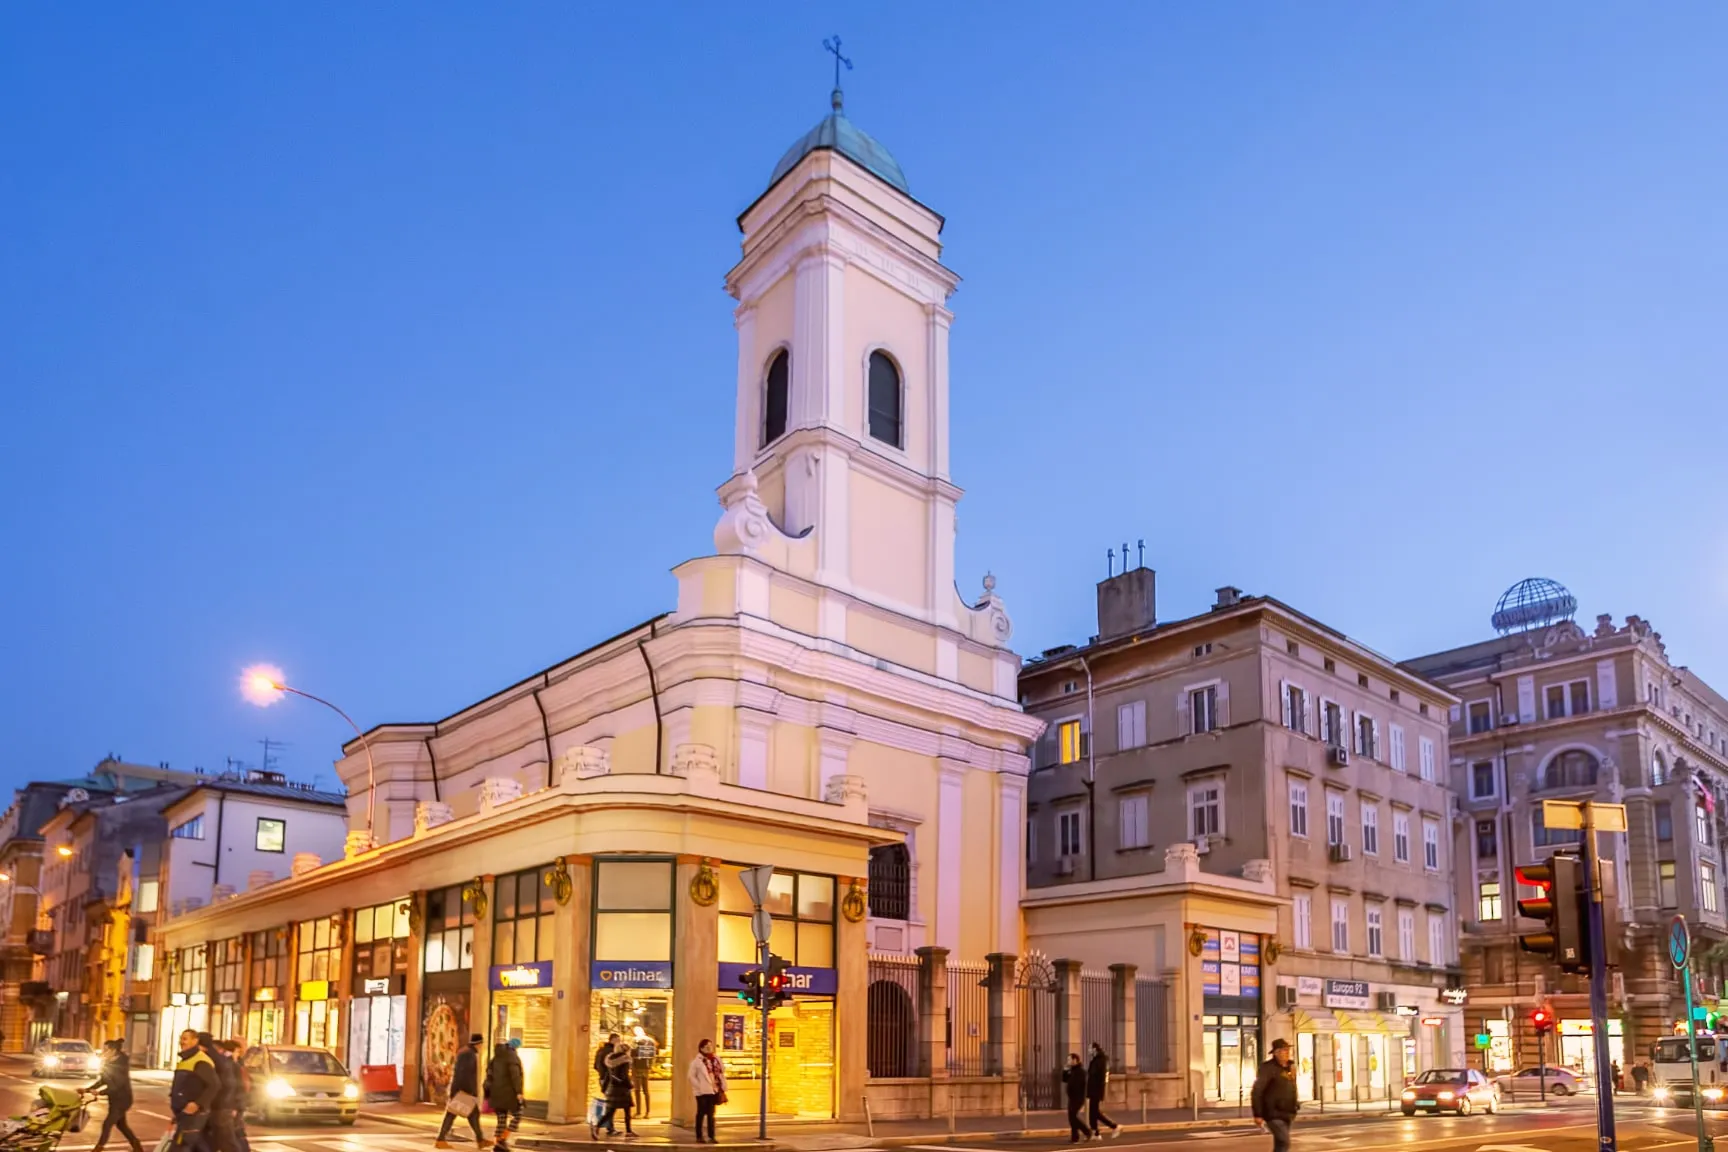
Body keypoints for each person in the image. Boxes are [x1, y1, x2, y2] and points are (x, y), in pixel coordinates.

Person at [87, 1040, 144, 1152]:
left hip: (122, 1100)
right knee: (122, 1125)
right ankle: (137, 1147)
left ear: (113, 1051)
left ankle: (98, 1148)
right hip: (114, 1100)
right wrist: (87, 1089)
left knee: (107, 1124)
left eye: (105, 1050)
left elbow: (116, 1086)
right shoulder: (109, 1063)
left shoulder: (120, 1065)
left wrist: (99, 1093)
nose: (103, 1052)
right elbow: (103, 1080)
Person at [170, 1029, 220, 1152]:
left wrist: (197, 1104)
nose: (182, 1042)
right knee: (198, 1145)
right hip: (184, 1112)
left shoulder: (200, 1060)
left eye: (185, 1039)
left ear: (195, 1041)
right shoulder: (186, 1059)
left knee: (182, 1145)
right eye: (181, 1038)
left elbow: (214, 1085)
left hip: (194, 1113)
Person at [435, 1033, 486, 1150]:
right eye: (481, 1044)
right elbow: (464, 1074)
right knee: (456, 1115)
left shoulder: (466, 1052)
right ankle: (440, 1140)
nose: (482, 1046)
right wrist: (470, 1092)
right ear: (478, 1044)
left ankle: (480, 1140)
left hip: (460, 1090)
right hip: (463, 1091)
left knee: (468, 1115)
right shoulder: (469, 1054)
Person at [1250, 1038, 1298, 1152]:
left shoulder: (1290, 1067)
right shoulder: (1268, 1068)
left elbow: (1292, 1088)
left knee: (1280, 1145)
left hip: (1288, 1112)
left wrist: (1295, 1104)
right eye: (1283, 1050)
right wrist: (1258, 1114)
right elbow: (1257, 1091)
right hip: (1273, 1113)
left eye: (1288, 1050)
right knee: (1284, 1141)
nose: (1287, 1052)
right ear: (1276, 1053)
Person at [196, 1033, 240, 1152]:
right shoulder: (218, 1059)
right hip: (221, 1106)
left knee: (225, 1141)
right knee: (215, 1140)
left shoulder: (208, 1059)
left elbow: (217, 1084)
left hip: (218, 1106)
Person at [484, 1041, 524, 1152]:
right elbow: (515, 1076)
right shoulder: (512, 1058)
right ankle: (502, 1140)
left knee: (501, 1120)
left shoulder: (495, 1058)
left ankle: (497, 1144)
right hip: (509, 1094)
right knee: (518, 1115)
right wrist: (519, 1092)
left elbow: (488, 1074)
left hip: (496, 1093)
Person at [595, 1037, 635, 1139]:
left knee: (610, 1111)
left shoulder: (610, 1060)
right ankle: (629, 1131)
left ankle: (597, 1126)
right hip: (622, 1089)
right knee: (627, 1111)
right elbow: (624, 1076)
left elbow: (608, 1075)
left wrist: (605, 1087)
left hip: (612, 1088)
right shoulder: (625, 1060)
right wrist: (630, 1085)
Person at [214, 1042, 251, 1152]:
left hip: (232, 1105)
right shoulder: (235, 1064)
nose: (238, 1054)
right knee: (236, 1133)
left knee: (233, 1135)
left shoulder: (233, 1065)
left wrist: (236, 1106)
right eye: (237, 1051)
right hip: (234, 1105)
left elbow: (238, 1087)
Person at [687, 1039, 726, 1144]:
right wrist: (699, 1087)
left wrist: (721, 1086)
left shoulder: (715, 1060)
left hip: (713, 1090)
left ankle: (711, 1136)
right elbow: (691, 1076)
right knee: (701, 1113)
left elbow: (721, 1072)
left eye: (710, 1046)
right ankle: (699, 1136)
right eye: (706, 1047)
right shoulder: (697, 1062)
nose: (709, 1048)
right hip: (701, 1092)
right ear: (701, 1048)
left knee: (711, 1114)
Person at [1085, 1042, 1119, 1139]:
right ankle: (1096, 1133)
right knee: (1092, 1112)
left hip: (1096, 1089)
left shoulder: (1102, 1060)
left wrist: (1100, 1090)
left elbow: (1102, 1077)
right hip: (1092, 1089)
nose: (1088, 1050)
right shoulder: (1095, 1060)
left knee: (1095, 1112)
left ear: (1094, 1049)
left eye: (1090, 1048)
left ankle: (1114, 1126)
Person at [630, 1027, 659, 1118]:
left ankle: (640, 1112)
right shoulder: (650, 1041)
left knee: (639, 1090)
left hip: (638, 1067)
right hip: (644, 1067)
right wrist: (650, 1065)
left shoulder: (635, 1041)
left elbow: (632, 1053)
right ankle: (646, 1112)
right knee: (643, 1090)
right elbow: (653, 1055)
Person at [1062, 1053, 1088, 1144]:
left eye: (1069, 1060)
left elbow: (1079, 1085)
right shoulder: (1072, 1070)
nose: (1068, 1061)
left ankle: (1087, 1132)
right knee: (1071, 1118)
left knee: (1073, 1117)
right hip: (1072, 1097)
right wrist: (1065, 1071)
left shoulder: (1081, 1071)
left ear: (1075, 1060)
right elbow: (1064, 1080)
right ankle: (1075, 1137)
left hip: (1078, 1097)